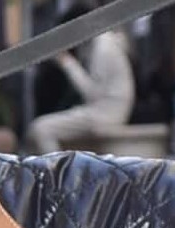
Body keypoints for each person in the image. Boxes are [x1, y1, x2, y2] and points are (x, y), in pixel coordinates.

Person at [27, 19, 136, 152]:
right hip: (106, 109)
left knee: (41, 129)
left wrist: (67, 62)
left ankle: (58, 170)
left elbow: (92, 94)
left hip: (106, 113)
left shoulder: (103, 48)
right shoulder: (100, 44)